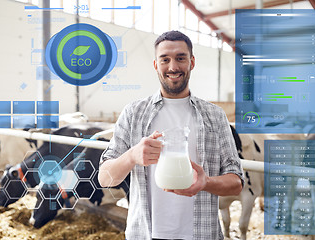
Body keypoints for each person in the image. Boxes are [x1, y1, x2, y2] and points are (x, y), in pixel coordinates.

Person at [99, 30, 244, 240]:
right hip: (146, 234)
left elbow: (236, 183)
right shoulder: (134, 113)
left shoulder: (215, 116)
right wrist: (131, 156)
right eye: (165, 59)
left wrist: (206, 183)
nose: (173, 67)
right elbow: (105, 178)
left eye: (180, 58)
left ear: (192, 62)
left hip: (202, 235)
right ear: (156, 65)